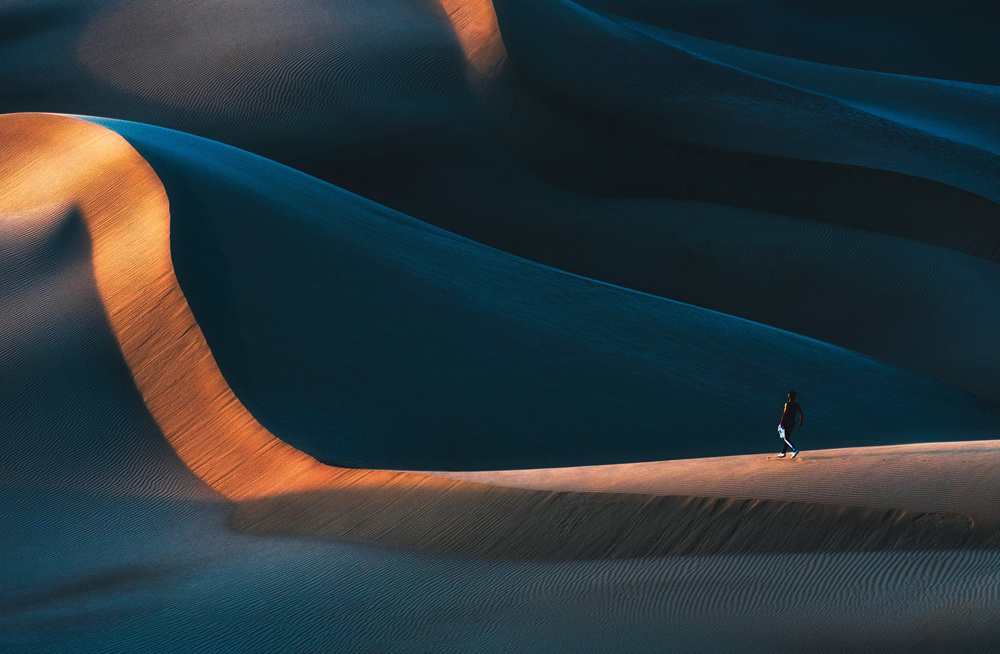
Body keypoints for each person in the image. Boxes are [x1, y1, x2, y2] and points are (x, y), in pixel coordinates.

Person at [777, 391, 803, 458]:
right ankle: (783, 452)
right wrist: (801, 421)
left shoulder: (787, 404)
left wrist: (780, 424)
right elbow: (801, 413)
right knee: (787, 437)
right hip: (792, 423)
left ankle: (794, 450)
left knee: (785, 438)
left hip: (786, 423)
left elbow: (784, 415)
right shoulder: (797, 404)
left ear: (789, 396)